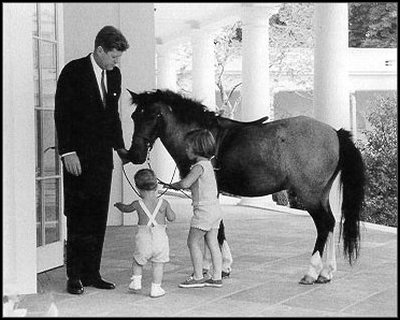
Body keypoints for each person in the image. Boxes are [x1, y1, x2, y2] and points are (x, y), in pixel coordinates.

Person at [54, 25, 130, 295]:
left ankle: (92, 272)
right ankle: (74, 275)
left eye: (118, 58)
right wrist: (67, 152)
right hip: (77, 157)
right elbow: (62, 114)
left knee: (98, 215)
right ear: (99, 50)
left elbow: (113, 116)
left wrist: (120, 148)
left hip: (102, 159)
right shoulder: (72, 72)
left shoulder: (115, 75)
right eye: (113, 56)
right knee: (78, 215)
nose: (116, 62)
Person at [169, 129, 223, 288]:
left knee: (192, 242)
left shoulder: (198, 166)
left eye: (188, 146)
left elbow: (185, 184)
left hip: (203, 212)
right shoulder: (208, 165)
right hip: (215, 210)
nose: (186, 149)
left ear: (197, 147)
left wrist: (175, 185)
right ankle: (217, 277)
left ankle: (198, 276)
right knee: (212, 242)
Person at [114, 169, 176, 298]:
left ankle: (136, 282)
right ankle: (156, 288)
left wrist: (119, 205)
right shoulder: (163, 203)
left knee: (138, 260)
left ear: (137, 188)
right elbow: (171, 217)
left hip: (143, 238)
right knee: (158, 264)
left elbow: (126, 209)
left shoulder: (137, 204)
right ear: (156, 185)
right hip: (160, 239)